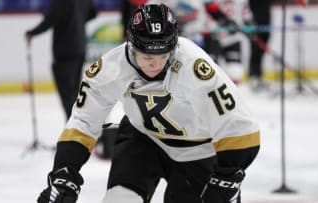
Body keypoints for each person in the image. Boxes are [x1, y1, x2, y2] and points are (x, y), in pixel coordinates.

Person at [36, 4, 260, 203]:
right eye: (147, 57)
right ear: (130, 45)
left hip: (198, 151)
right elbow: (83, 121)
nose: (156, 65)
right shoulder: (111, 67)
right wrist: (64, 175)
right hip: (142, 139)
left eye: (164, 55)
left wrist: (227, 178)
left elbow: (240, 127)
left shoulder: (193, 65)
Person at [25, 0, 97, 120]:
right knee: (74, 93)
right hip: (79, 47)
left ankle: (74, 130)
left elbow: (51, 19)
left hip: (65, 50)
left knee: (68, 96)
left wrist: (32, 33)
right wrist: (77, 21)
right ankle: (77, 129)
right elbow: (93, 13)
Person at [248, 0, 273, 91]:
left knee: (261, 52)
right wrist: (251, 25)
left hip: (265, 26)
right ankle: (253, 77)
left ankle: (259, 76)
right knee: (255, 52)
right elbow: (248, 9)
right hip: (256, 27)